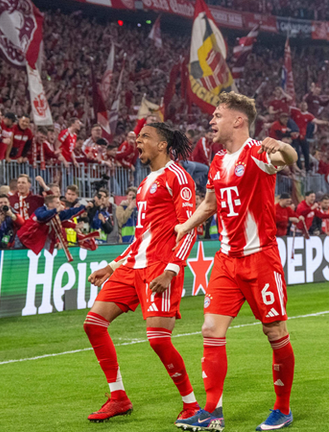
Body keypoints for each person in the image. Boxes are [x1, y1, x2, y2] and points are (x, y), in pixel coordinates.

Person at [174, 92, 298, 431]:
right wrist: (184, 226)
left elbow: (288, 157)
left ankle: (282, 409)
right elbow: (209, 204)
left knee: (275, 332)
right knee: (210, 330)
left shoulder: (258, 153)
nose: (211, 121)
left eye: (218, 115)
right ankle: (212, 413)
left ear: (238, 120)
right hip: (227, 261)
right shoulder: (217, 161)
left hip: (260, 260)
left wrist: (282, 146)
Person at [85, 122, 199, 423]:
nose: (138, 141)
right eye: (137, 137)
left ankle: (191, 406)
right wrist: (112, 266)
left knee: (159, 340)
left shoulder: (178, 177)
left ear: (162, 145)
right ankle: (118, 398)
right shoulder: (147, 182)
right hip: (133, 265)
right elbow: (141, 236)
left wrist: (172, 269)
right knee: (94, 324)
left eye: (145, 137)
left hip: (161, 267)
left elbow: (189, 228)